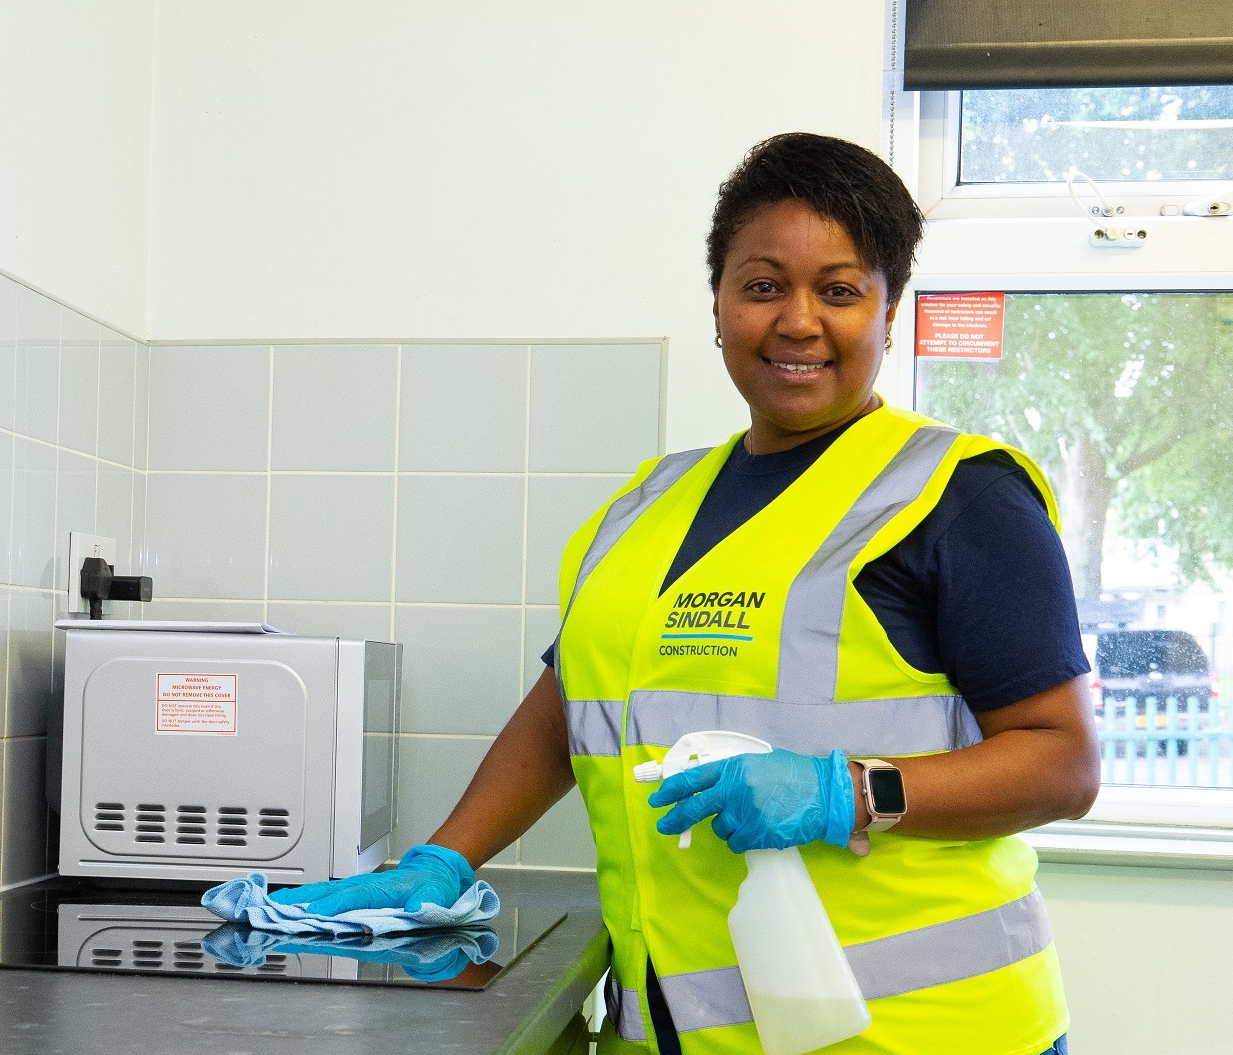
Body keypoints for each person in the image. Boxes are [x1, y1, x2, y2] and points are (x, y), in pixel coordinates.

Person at [272, 133, 1098, 1054]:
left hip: (921, 1034)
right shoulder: (641, 510)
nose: (796, 320)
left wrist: (848, 792)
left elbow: (1062, 763)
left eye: (838, 289)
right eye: (760, 286)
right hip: (677, 1031)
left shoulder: (956, 494)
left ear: (888, 311)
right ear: (716, 306)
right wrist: (444, 856)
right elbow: (568, 708)